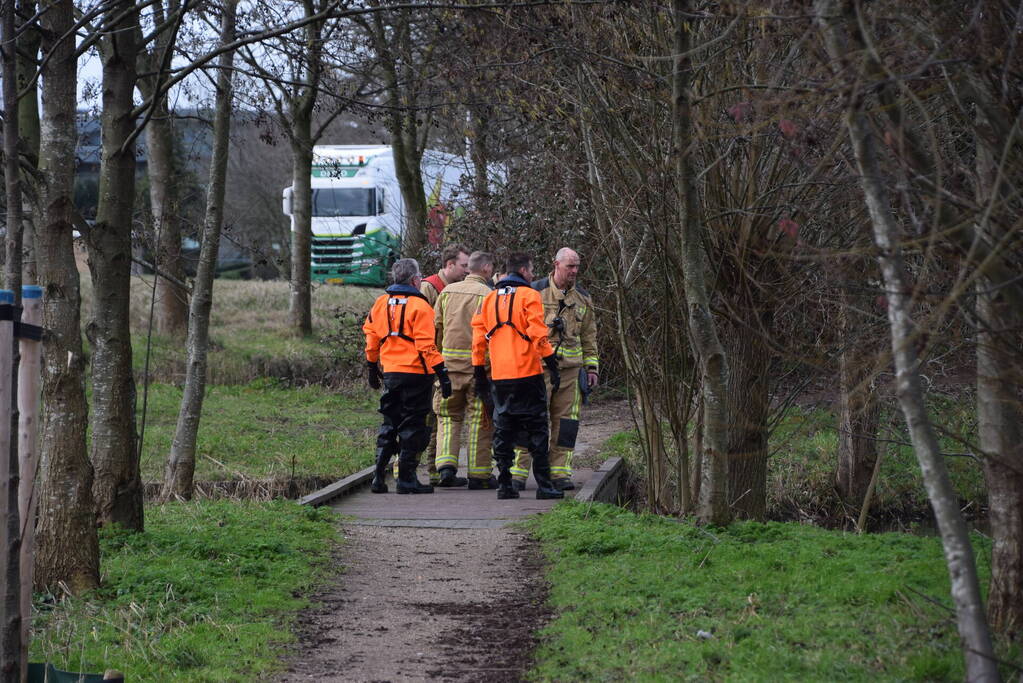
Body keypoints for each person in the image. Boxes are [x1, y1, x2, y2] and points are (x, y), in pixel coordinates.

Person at [471, 252, 564, 500]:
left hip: (500, 377)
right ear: (523, 271)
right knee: (537, 429)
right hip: (528, 375)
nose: (533, 275)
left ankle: (505, 485)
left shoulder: (489, 299)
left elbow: (478, 339)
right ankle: (544, 486)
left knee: (503, 430)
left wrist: (479, 372)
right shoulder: (530, 296)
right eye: (531, 270)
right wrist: (552, 364)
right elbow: (537, 333)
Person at [510, 247, 599, 492]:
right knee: (530, 420)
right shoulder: (533, 292)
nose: (574, 271)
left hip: (571, 371)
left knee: (567, 423)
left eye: (577, 266)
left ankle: (559, 472)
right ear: (556, 265)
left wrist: (592, 368)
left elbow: (589, 337)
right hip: (537, 370)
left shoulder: (582, 298)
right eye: (570, 266)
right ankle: (518, 472)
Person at [363, 258, 453, 494]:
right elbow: (426, 346)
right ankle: (406, 479)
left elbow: (371, 339)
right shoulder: (420, 307)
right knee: (413, 426)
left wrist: (372, 367)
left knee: (389, 424)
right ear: (415, 280)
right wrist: (442, 373)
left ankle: (378, 477)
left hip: (391, 373)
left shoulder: (380, 304)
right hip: (416, 375)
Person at [433, 251, 497, 488]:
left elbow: (436, 329)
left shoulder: (446, 293)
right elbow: (491, 334)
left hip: (447, 368)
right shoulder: (488, 295)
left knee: (448, 417)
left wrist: (438, 362)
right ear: (487, 269)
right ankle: (479, 474)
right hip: (477, 370)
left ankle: (446, 468)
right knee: (479, 421)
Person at [415, 243, 470, 485]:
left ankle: (435, 473)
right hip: (425, 367)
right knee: (424, 421)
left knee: (438, 421)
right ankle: (407, 470)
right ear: (449, 265)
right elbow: (421, 329)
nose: (467, 271)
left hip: (440, 367)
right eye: (463, 266)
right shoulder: (430, 288)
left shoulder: (455, 290)